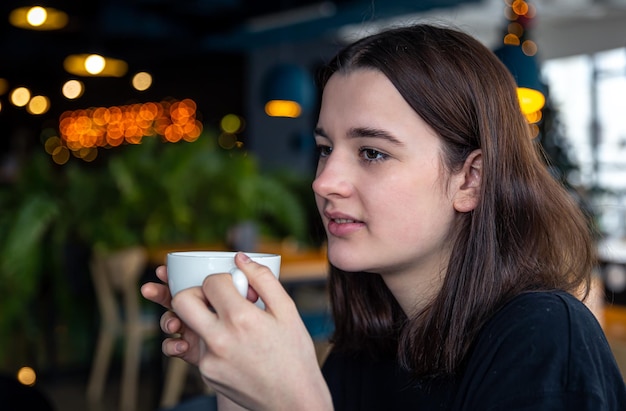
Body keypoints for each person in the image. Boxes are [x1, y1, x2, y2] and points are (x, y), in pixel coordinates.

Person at [141, 23, 626, 410]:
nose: (324, 181)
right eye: (326, 148)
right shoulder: (370, 350)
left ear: (470, 179)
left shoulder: (544, 337)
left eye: (371, 152)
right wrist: (238, 382)